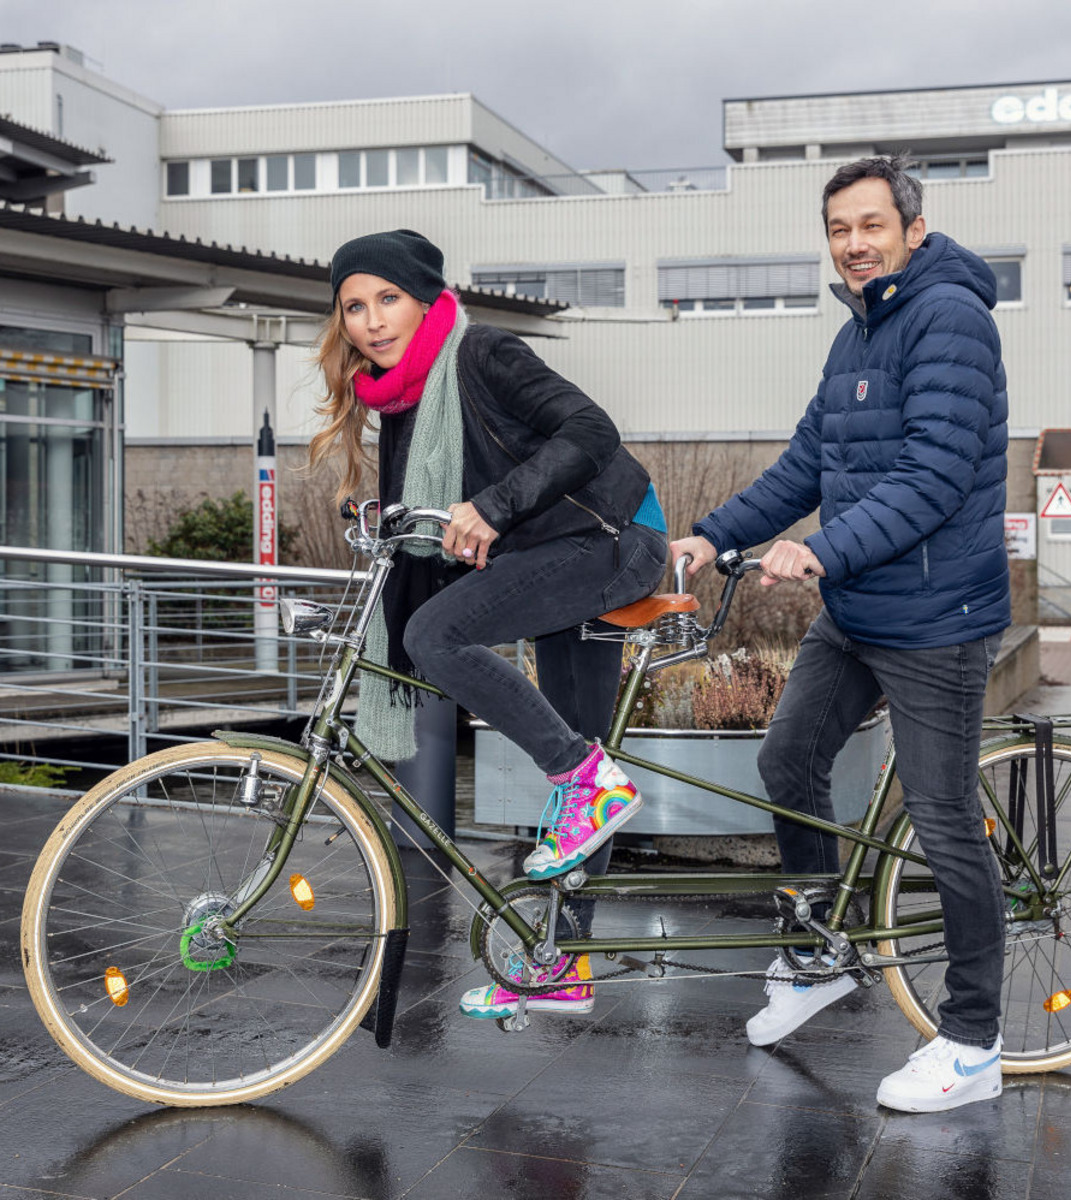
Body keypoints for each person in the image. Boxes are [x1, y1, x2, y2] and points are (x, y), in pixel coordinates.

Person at [671, 156, 1010, 1113]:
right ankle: (819, 954)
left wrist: (819, 552)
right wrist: (714, 533)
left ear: (911, 225)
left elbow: (936, 477)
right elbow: (808, 463)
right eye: (837, 230)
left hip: (937, 617)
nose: (853, 244)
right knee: (789, 762)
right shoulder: (857, 332)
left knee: (943, 821)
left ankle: (974, 1042)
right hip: (860, 609)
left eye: (870, 225)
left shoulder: (951, 319)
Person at [309, 228, 667, 1021]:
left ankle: (589, 783)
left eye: (387, 299)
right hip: (551, 552)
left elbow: (590, 431)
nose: (370, 320)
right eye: (354, 307)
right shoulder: (400, 398)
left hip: (611, 537)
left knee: (436, 637)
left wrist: (494, 508)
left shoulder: (482, 354)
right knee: (581, 754)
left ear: (426, 298)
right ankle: (561, 965)